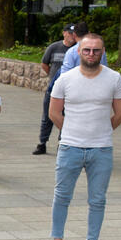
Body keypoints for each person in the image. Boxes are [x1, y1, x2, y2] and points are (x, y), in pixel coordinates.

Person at [42, 33, 121, 240]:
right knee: (61, 196)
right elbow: (54, 113)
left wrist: (102, 131)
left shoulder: (114, 78)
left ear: (103, 52)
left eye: (96, 50)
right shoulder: (65, 78)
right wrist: (72, 131)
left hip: (101, 149)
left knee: (98, 199)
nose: (91, 54)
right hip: (70, 147)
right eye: (87, 50)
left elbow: (120, 113)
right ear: (78, 52)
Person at [35, 24, 77, 155]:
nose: (72, 36)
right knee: (47, 116)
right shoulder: (54, 47)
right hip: (54, 88)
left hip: (70, 90)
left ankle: (62, 142)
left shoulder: (77, 50)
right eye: (70, 33)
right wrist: (52, 77)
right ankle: (42, 143)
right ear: (64, 33)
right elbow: (44, 64)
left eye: (74, 34)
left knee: (66, 116)